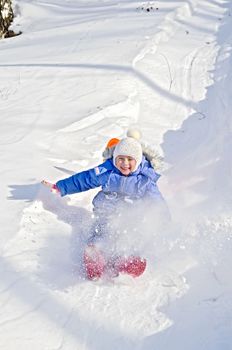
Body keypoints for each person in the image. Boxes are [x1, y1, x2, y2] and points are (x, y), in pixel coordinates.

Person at [42, 130, 166, 280]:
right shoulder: (107, 171)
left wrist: (164, 220)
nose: (124, 163)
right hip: (106, 213)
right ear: (115, 158)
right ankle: (95, 256)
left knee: (131, 237)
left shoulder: (145, 180)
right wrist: (61, 187)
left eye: (129, 159)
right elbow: (85, 179)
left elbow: (157, 202)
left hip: (130, 218)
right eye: (120, 159)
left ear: (138, 160)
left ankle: (128, 261)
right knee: (102, 232)